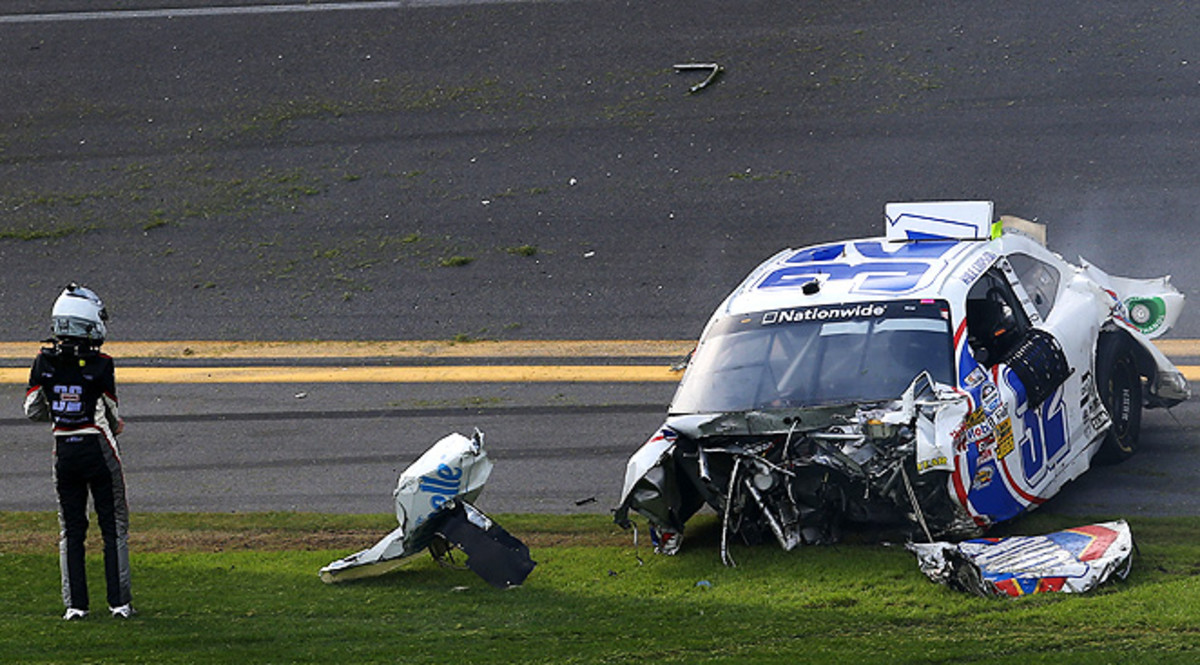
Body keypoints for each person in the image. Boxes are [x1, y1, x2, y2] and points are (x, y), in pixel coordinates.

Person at [24, 283, 133, 620]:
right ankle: (119, 604)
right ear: (88, 322)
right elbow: (112, 413)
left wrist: (58, 411)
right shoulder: (102, 364)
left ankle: (75, 606)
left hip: (63, 450)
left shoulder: (43, 361)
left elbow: (32, 408)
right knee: (113, 525)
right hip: (97, 448)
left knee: (71, 529)